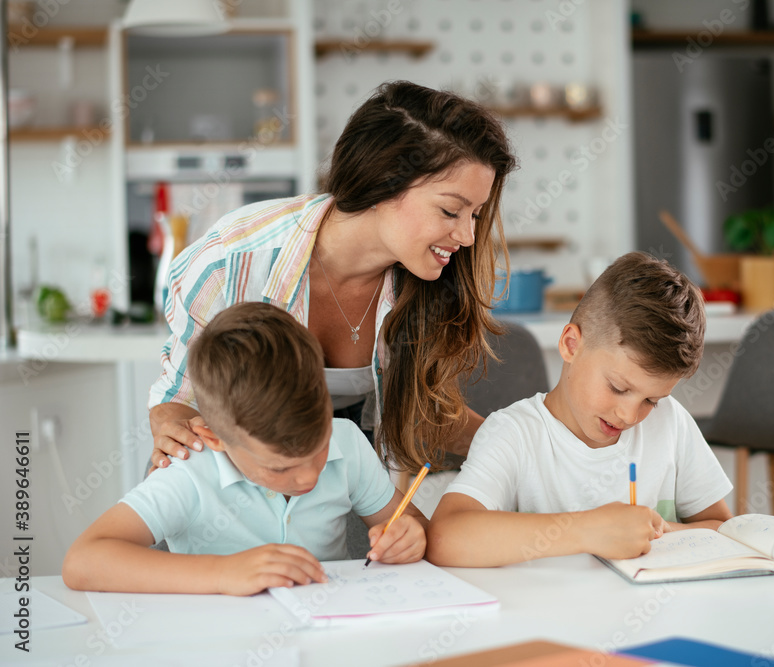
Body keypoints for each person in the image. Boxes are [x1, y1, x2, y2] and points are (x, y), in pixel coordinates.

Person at [148, 80, 516, 475]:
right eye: (449, 211)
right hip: (252, 470)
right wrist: (172, 427)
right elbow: (181, 400)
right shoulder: (229, 263)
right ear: (382, 182)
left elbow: (423, 412)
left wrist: (527, 449)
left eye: (475, 215)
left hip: (365, 470)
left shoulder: (427, 280)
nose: (467, 236)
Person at [63, 302, 426, 595]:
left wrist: (408, 538)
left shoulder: (346, 441)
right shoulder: (190, 469)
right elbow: (83, 561)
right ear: (215, 436)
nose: (309, 476)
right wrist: (223, 573)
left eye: (318, 448)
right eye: (280, 468)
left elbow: (408, 524)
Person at [426, 252, 733, 567]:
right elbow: (444, 539)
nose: (629, 416)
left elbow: (723, 529)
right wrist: (588, 530)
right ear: (571, 345)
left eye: (650, 401)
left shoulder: (671, 423)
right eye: (618, 388)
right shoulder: (513, 435)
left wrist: (663, 532)